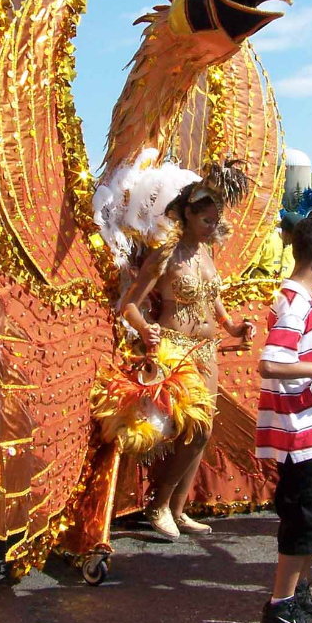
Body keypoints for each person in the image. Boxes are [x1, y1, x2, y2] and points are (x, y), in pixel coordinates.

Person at [121, 161, 257, 540]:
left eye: (216, 221)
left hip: (206, 351)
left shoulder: (206, 256)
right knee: (194, 429)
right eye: (206, 221)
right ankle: (157, 504)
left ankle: (177, 509)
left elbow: (215, 304)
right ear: (187, 215)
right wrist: (145, 329)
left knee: (203, 430)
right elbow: (129, 304)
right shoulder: (166, 255)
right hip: (175, 349)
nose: (213, 228)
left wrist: (234, 326)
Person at [256, 215, 312, 623]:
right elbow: (270, 363)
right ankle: (280, 605)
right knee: (304, 516)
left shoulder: (305, 299)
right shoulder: (293, 301)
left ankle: (299, 592)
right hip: (300, 435)